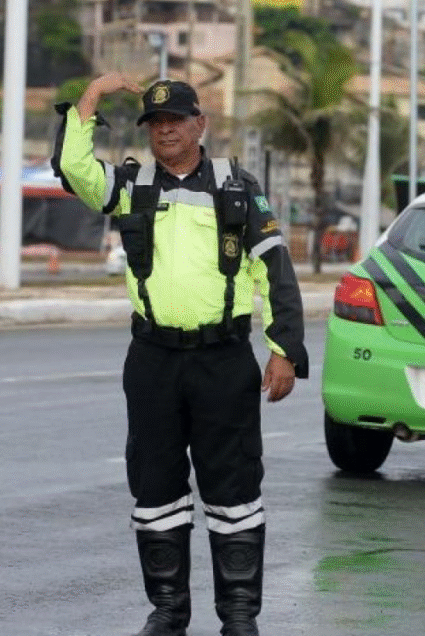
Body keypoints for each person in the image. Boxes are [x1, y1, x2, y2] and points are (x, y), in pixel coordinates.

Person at [51, 73, 309, 636]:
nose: (165, 130)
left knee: (233, 490)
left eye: (176, 120)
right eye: (155, 123)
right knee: (156, 488)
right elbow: (74, 168)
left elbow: (274, 270)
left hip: (223, 361)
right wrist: (93, 94)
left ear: (200, 124)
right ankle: (168, 611)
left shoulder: (236, 187)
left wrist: (284, 350)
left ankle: (238, 615)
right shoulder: (129, 185)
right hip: (153, 361)